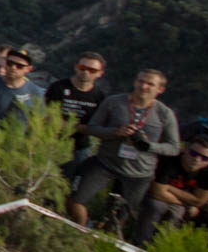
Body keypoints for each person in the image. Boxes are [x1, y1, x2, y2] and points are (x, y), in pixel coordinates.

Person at [66, 70, 179, 229]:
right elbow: (92, 127)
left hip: (139, 173)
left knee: (118, 218)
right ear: (135, 82)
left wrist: (148, 146)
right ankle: (78, 231)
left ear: (160, 89)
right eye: (141, 81)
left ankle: (102, 243)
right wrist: (114, 132)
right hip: (105, 162)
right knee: (75, 199)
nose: (144, 86)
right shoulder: (114, 102)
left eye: (150, 84)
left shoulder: (165, 114)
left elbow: (174, 147)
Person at [133, 135, 208, 246]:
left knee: (177, 214)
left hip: (176, 200)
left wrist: (169, 188)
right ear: (185, 149)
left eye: (205, 158)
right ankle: (140, 244)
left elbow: (200, 201)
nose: (197, 160)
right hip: (154, 195)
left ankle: (159, 248)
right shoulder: (169, 160)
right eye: (194, 153)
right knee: (156, 206)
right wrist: (189, 203)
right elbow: (157, 193)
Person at [47, 52, 108, 172]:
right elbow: (46, 116)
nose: (86, 72)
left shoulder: (99, 97)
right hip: (51, 143)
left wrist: (70, 126)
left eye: (92, 70)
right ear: (76, 67)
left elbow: (97, 126)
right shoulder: (58, 87)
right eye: (82, 68)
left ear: (100, 74)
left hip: (79, 148)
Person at [0, 47, 43, 131]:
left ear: (29, 69)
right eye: (10, 63)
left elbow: (37, 122)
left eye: (19, 66)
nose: (13, 67)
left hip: (15, 142)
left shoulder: (35, 92)